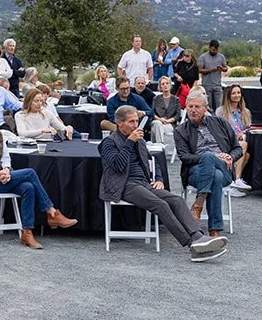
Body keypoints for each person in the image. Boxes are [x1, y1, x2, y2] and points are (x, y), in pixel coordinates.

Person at [101, 105, 227, 260]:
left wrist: (159, 179)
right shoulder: (108, 142)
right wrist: (129, 142)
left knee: (176, 200)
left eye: (136, 121)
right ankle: (192, 244)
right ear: (119, 123)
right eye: (131, 122)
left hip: (143, 183)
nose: (135, 125)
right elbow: (117, 165)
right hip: (123, 184)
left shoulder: (139, 141)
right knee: (160, 205)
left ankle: (198, 235)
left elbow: (152, 161)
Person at [0, 94, 76, 248]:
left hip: (0, 177)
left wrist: (6, 170)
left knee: (28, 187)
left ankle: (27, 233)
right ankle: (52, 212)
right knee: (29, 173)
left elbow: (5, 157)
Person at [174, 91, 243, 236]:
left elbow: (237, 148)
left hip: (224, 167)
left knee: (216, 171)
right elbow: (184, 157)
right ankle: (214, 230)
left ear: (206, 109)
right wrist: (213, 156)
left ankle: (198, 204)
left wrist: (230, 157)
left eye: (197, 107)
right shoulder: (180, 130)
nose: (193, 110)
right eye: (190, 106)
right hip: (195, 171)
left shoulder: (220, 122)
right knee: (213, 172)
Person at [217, 84, 253, 185]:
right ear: (228, 95)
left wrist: (243, 133)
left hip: (242, 140)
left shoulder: (246, 112)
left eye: (238, 93)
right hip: (227, 142)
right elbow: (219, 131)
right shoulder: (221, 111)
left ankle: (233, 180)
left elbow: (249, 128)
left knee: (247, 155)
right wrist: (233, 136)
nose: (237, 95)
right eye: (233, 93)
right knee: (243, 145)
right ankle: (237, 180)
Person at [197, 40, 228, 113]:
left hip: (217, 84)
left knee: (219, 105)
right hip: (207, 85)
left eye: (216, 50)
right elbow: (199, 70)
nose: (215, 51)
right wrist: (212, 70)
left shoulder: (221, 57)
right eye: (213, 50)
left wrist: (222, 68)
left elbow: (226, 68)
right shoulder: (203, 57)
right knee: (208, 106)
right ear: (209, 48)